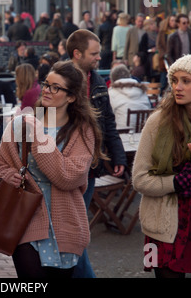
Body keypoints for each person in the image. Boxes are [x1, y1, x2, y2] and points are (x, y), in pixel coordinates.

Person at [0, 60, 107, 278]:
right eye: (46, 84)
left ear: (71, 97)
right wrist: (9, 175)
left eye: (56, 87)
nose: (47, 91)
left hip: (66, 224)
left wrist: (38, 136)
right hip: (25, 217)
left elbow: (69, 176)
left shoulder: (83, 130)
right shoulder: (21, 123)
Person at [132, 54, 191, 278]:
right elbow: (139, 179)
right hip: (164, 224)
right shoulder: (158, 121)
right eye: (174, 81)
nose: (177, 87)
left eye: (186, 81)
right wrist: (176, 181)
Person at [66, 29, 127, 278]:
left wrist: (118, 157)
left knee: (77, 230)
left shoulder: (98, 81)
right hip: (63, 167)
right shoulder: (59, 79)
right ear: (77, 54)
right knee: (73, 230)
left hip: (90, 167)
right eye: (94, 54)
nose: (99, 58)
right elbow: (43, 122)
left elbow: (108, 123)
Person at [108, 64, 151, 129]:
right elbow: (149, 107)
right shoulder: (142, 91)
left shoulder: (112, 92)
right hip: (142, 133)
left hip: (121, 133)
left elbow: (107, 115)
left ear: (113, 79)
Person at [156, 15, 177, 94]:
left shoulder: (177, 32)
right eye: (172, 20)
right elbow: (159, 45)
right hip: (164, 59)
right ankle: (161, 94)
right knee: (164, 78)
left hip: (174, 58)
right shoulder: (162, 32)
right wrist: (163, 54)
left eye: (175, 20)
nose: (173, 22)